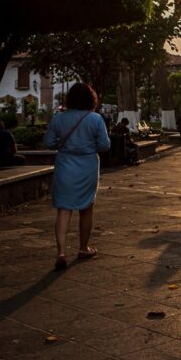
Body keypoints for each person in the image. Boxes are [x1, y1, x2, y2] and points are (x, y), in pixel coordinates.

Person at [43, 83, 110, 271]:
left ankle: (61, 252)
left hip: (65, 165)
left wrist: (65, 145)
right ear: (91, 99)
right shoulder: (95, 119)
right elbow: (104, 145)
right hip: (87, 165)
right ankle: (83, 248)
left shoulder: (58, 119)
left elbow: (48, 143)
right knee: (86, 208)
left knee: (64, 210)